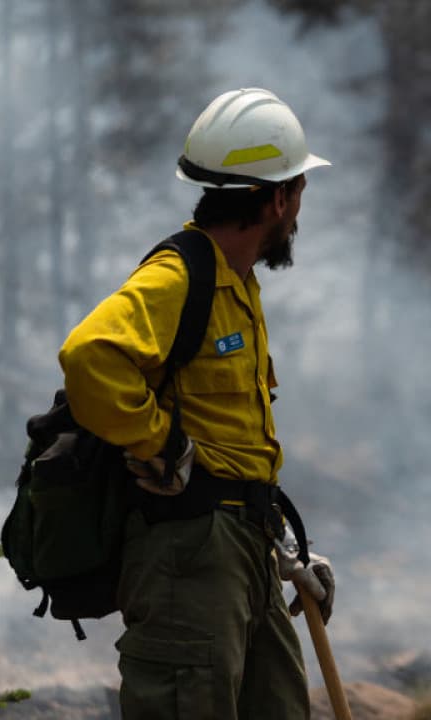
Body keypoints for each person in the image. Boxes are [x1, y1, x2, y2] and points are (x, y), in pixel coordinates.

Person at [58, 87, 335, 719]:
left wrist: (282, 548)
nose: (297, 212)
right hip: (189, 557)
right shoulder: (180, 276)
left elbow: (228, 435)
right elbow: (88, 355)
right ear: (277, 198)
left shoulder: (236, 282)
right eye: (297, 194)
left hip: (242, 549)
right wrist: (161, 444)